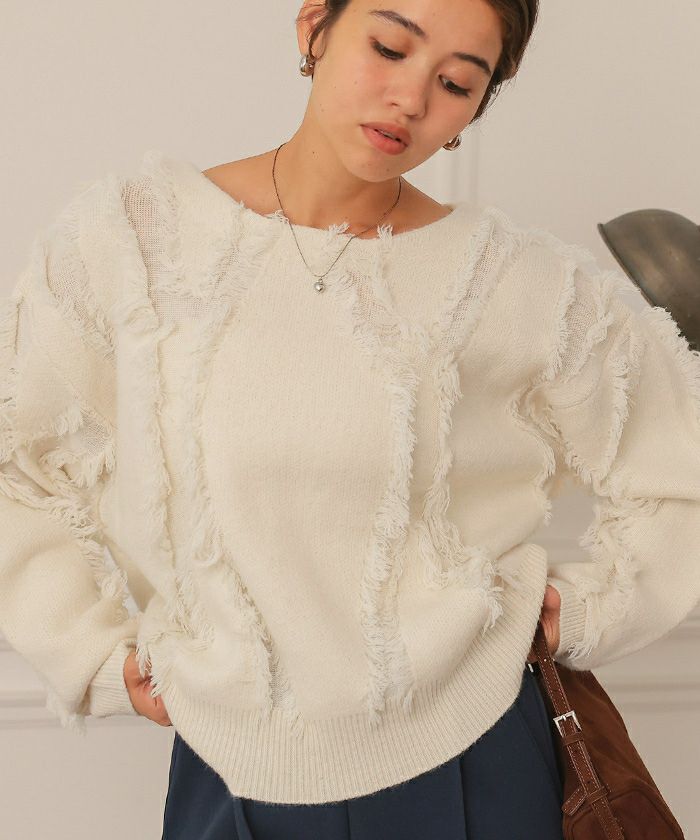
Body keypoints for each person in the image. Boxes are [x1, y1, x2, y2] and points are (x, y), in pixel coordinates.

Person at [2, 1, 699, 838]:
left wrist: (586, 609)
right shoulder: (131, 241)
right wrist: (93, 656)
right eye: (389, 46)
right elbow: (19, 461)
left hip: (477, 753)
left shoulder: (525, 286)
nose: (410, 98)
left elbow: (678, 468)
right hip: (231, 761)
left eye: (455, 83)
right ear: (314, 27)